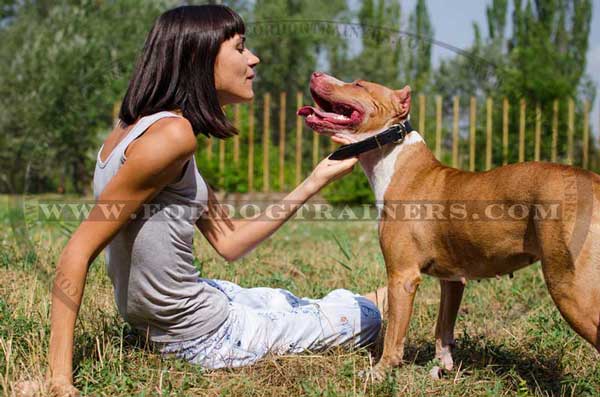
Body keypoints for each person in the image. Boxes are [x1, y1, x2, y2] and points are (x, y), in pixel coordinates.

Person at [40, 5, 386, 396]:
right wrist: (58, 379)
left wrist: (312, 182)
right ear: (199, 58)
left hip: (191, 307)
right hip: (204, 337)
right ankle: (377, 301)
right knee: (366, 321)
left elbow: (229, 241)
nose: (253, 58)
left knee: (279, 300)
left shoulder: (138, 127)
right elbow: (76, 252)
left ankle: (368, 298)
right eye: (240, 48)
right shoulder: (171, 138)